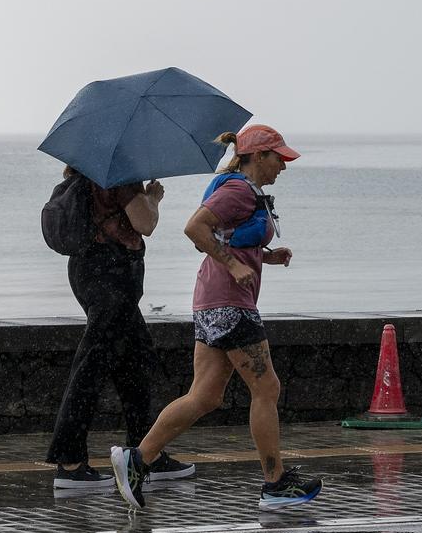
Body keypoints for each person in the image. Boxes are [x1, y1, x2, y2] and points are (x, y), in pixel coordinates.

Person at [110, 124, 323, 510]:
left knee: (205, 396)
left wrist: (266, 258)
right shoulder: (238, 190)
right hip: (230, 305)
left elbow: (223, 238)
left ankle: (138, 460)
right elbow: (195, 228)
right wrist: (232, 265)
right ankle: (275, 484)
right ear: (258, 156)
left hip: (212, 303)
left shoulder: (243, 191)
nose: (284, 167)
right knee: (267, 389)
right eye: (279, 158)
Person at [47, 169, 196, 489]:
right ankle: (70, 463)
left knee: (137, 365)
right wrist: (153, 198)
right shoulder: (120, 175)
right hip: (110, 276)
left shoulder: (86, 173)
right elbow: (146, 224)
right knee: (89, 368)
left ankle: (146, 455)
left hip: (90, 270)